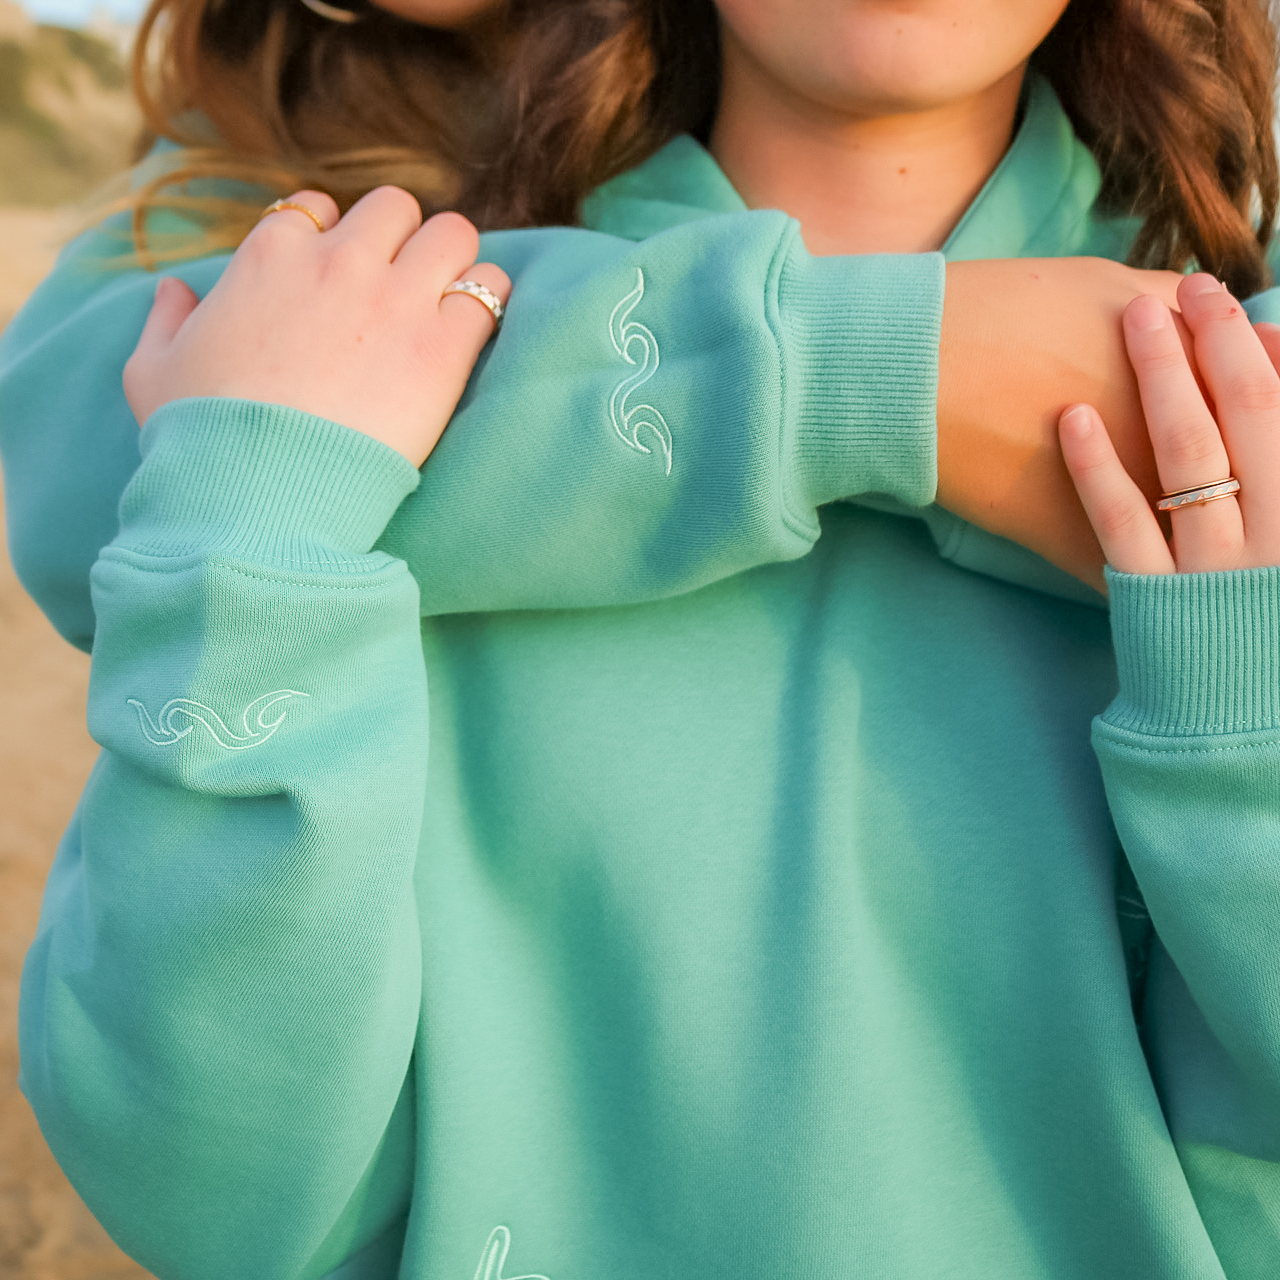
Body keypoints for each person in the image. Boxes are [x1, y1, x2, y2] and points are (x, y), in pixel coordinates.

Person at [4, 1, 1280, 1277]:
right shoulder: (383, 387)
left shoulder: (1248, 393)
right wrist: (256, 522)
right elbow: (210, 1202)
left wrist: (1244, 728)